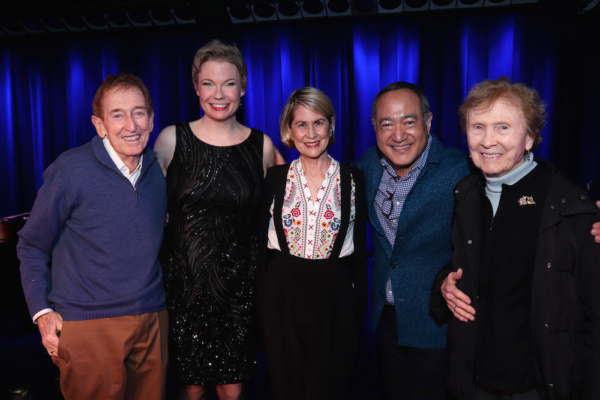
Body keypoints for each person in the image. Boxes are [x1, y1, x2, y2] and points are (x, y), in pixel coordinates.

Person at [431, 77, 600, 399]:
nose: (487, 140)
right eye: (477, 127)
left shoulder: (571, 208)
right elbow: (468, 262)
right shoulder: (466, 195)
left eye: (503, 127)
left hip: (540, 384)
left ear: (530, 137)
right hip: (474, 379)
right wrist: (445, 284)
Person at [17, 73, 168, 400]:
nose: (131, 124)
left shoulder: (158, 171)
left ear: (152, 119)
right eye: (118, 115)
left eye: (139, 112)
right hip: (89, 324)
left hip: (152, 318)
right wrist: (42, 312)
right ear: (99, 125)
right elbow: (31, 245)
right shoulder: (70, 170)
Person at [154, 39, 275, 400]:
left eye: (228, 83)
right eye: (208, 83)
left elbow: (289, 212)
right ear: (195, 88)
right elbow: (141, 210)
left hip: (238, 290)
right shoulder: (171, 140)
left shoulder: (263, 147)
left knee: (232, 391)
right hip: (183, 290)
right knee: (190, 391)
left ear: (243, 87)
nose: (218, 93)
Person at [353, 82, 470, 399]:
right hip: (388, 321)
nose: (398, 134)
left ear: (428, 122)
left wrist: (582, 210)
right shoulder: (368, 168)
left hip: (438, 323)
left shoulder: (459, 169)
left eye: (409, 121)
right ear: (374, 128)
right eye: (387, 124)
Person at [256, 87, 367, 400]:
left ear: (330, 126)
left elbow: (359, 250)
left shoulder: (354, 178)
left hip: (335, 295)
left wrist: (357, 306)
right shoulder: (274, 178)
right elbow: (258, 244)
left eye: (318, 122)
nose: (311, 133)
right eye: (301, 124)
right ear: (289, 130)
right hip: (281, 294)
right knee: (285, 385)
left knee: (330, 385)